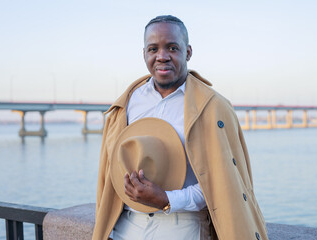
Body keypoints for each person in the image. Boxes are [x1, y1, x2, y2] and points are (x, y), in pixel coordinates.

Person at [93, 15, 268, 240]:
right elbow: (108, 179)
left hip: (183, 226)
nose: (162, 56)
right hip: (124, 226)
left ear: (188, 52)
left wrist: (167, 200)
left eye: (172, 48)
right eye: (153, 49)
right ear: (144, 54)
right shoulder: (124, 104)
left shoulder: (213, 107)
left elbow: (223, 185)